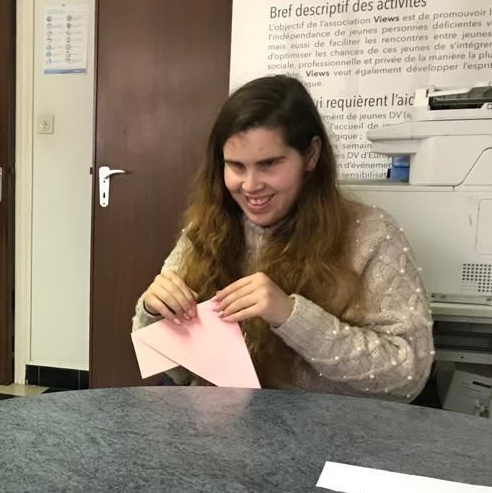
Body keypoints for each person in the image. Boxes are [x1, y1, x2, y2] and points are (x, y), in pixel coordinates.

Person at [133, 75, 434, 401]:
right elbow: (173, 370)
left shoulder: (371, 234)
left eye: (269, 164)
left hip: (321, 434)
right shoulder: (205, 230)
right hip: (219, 427)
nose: (250, 186)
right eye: (236, 166)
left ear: (312, 155)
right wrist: (153, 311)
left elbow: (408, 375)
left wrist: (290, 315)